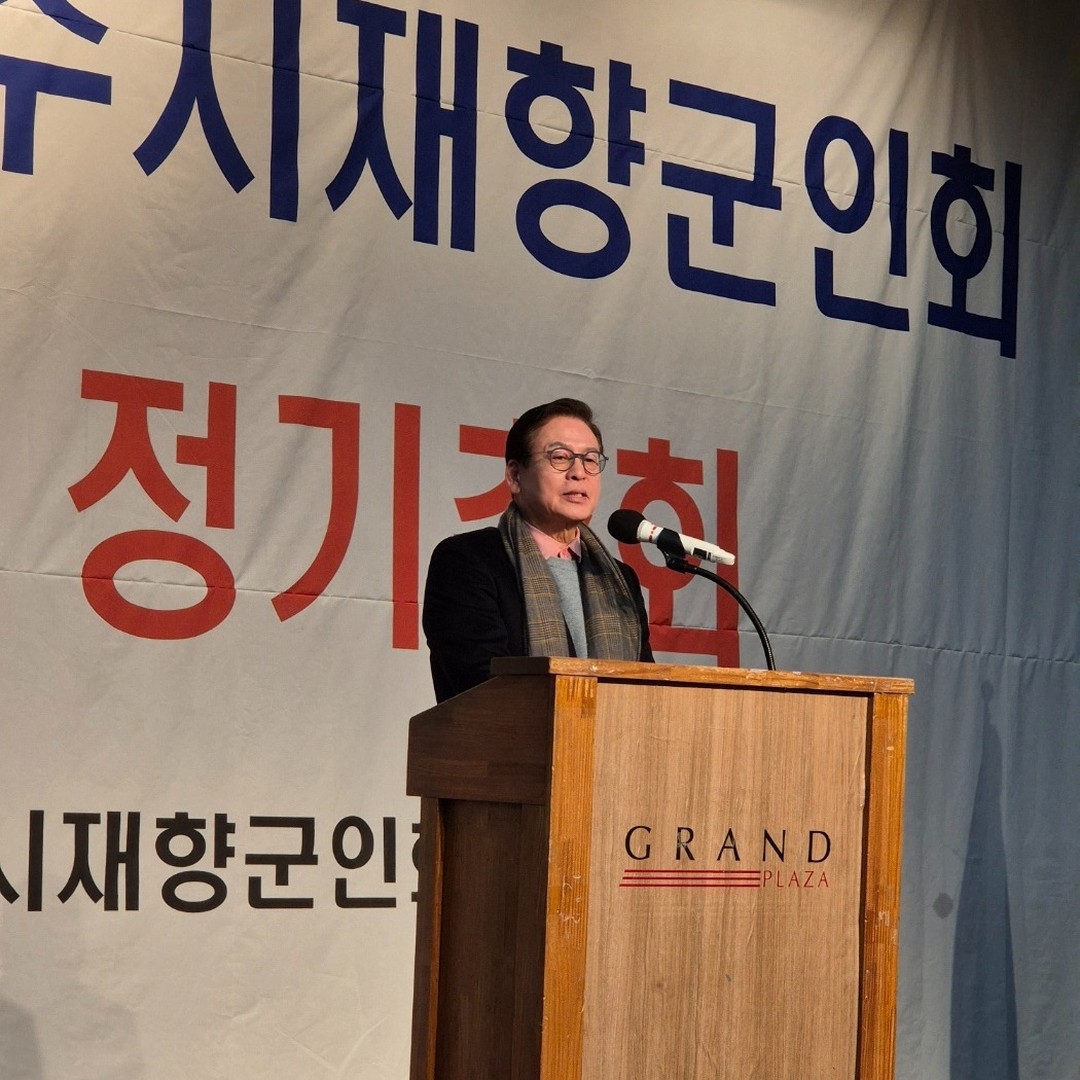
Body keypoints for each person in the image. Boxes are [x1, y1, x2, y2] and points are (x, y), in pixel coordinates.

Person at [422, 398, 653, 702]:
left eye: (590, 459)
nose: (579, 472)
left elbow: (646, 692)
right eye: (560, 457)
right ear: (515, 476)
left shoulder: (620, 580)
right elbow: (479, 686)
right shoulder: (467, 561)